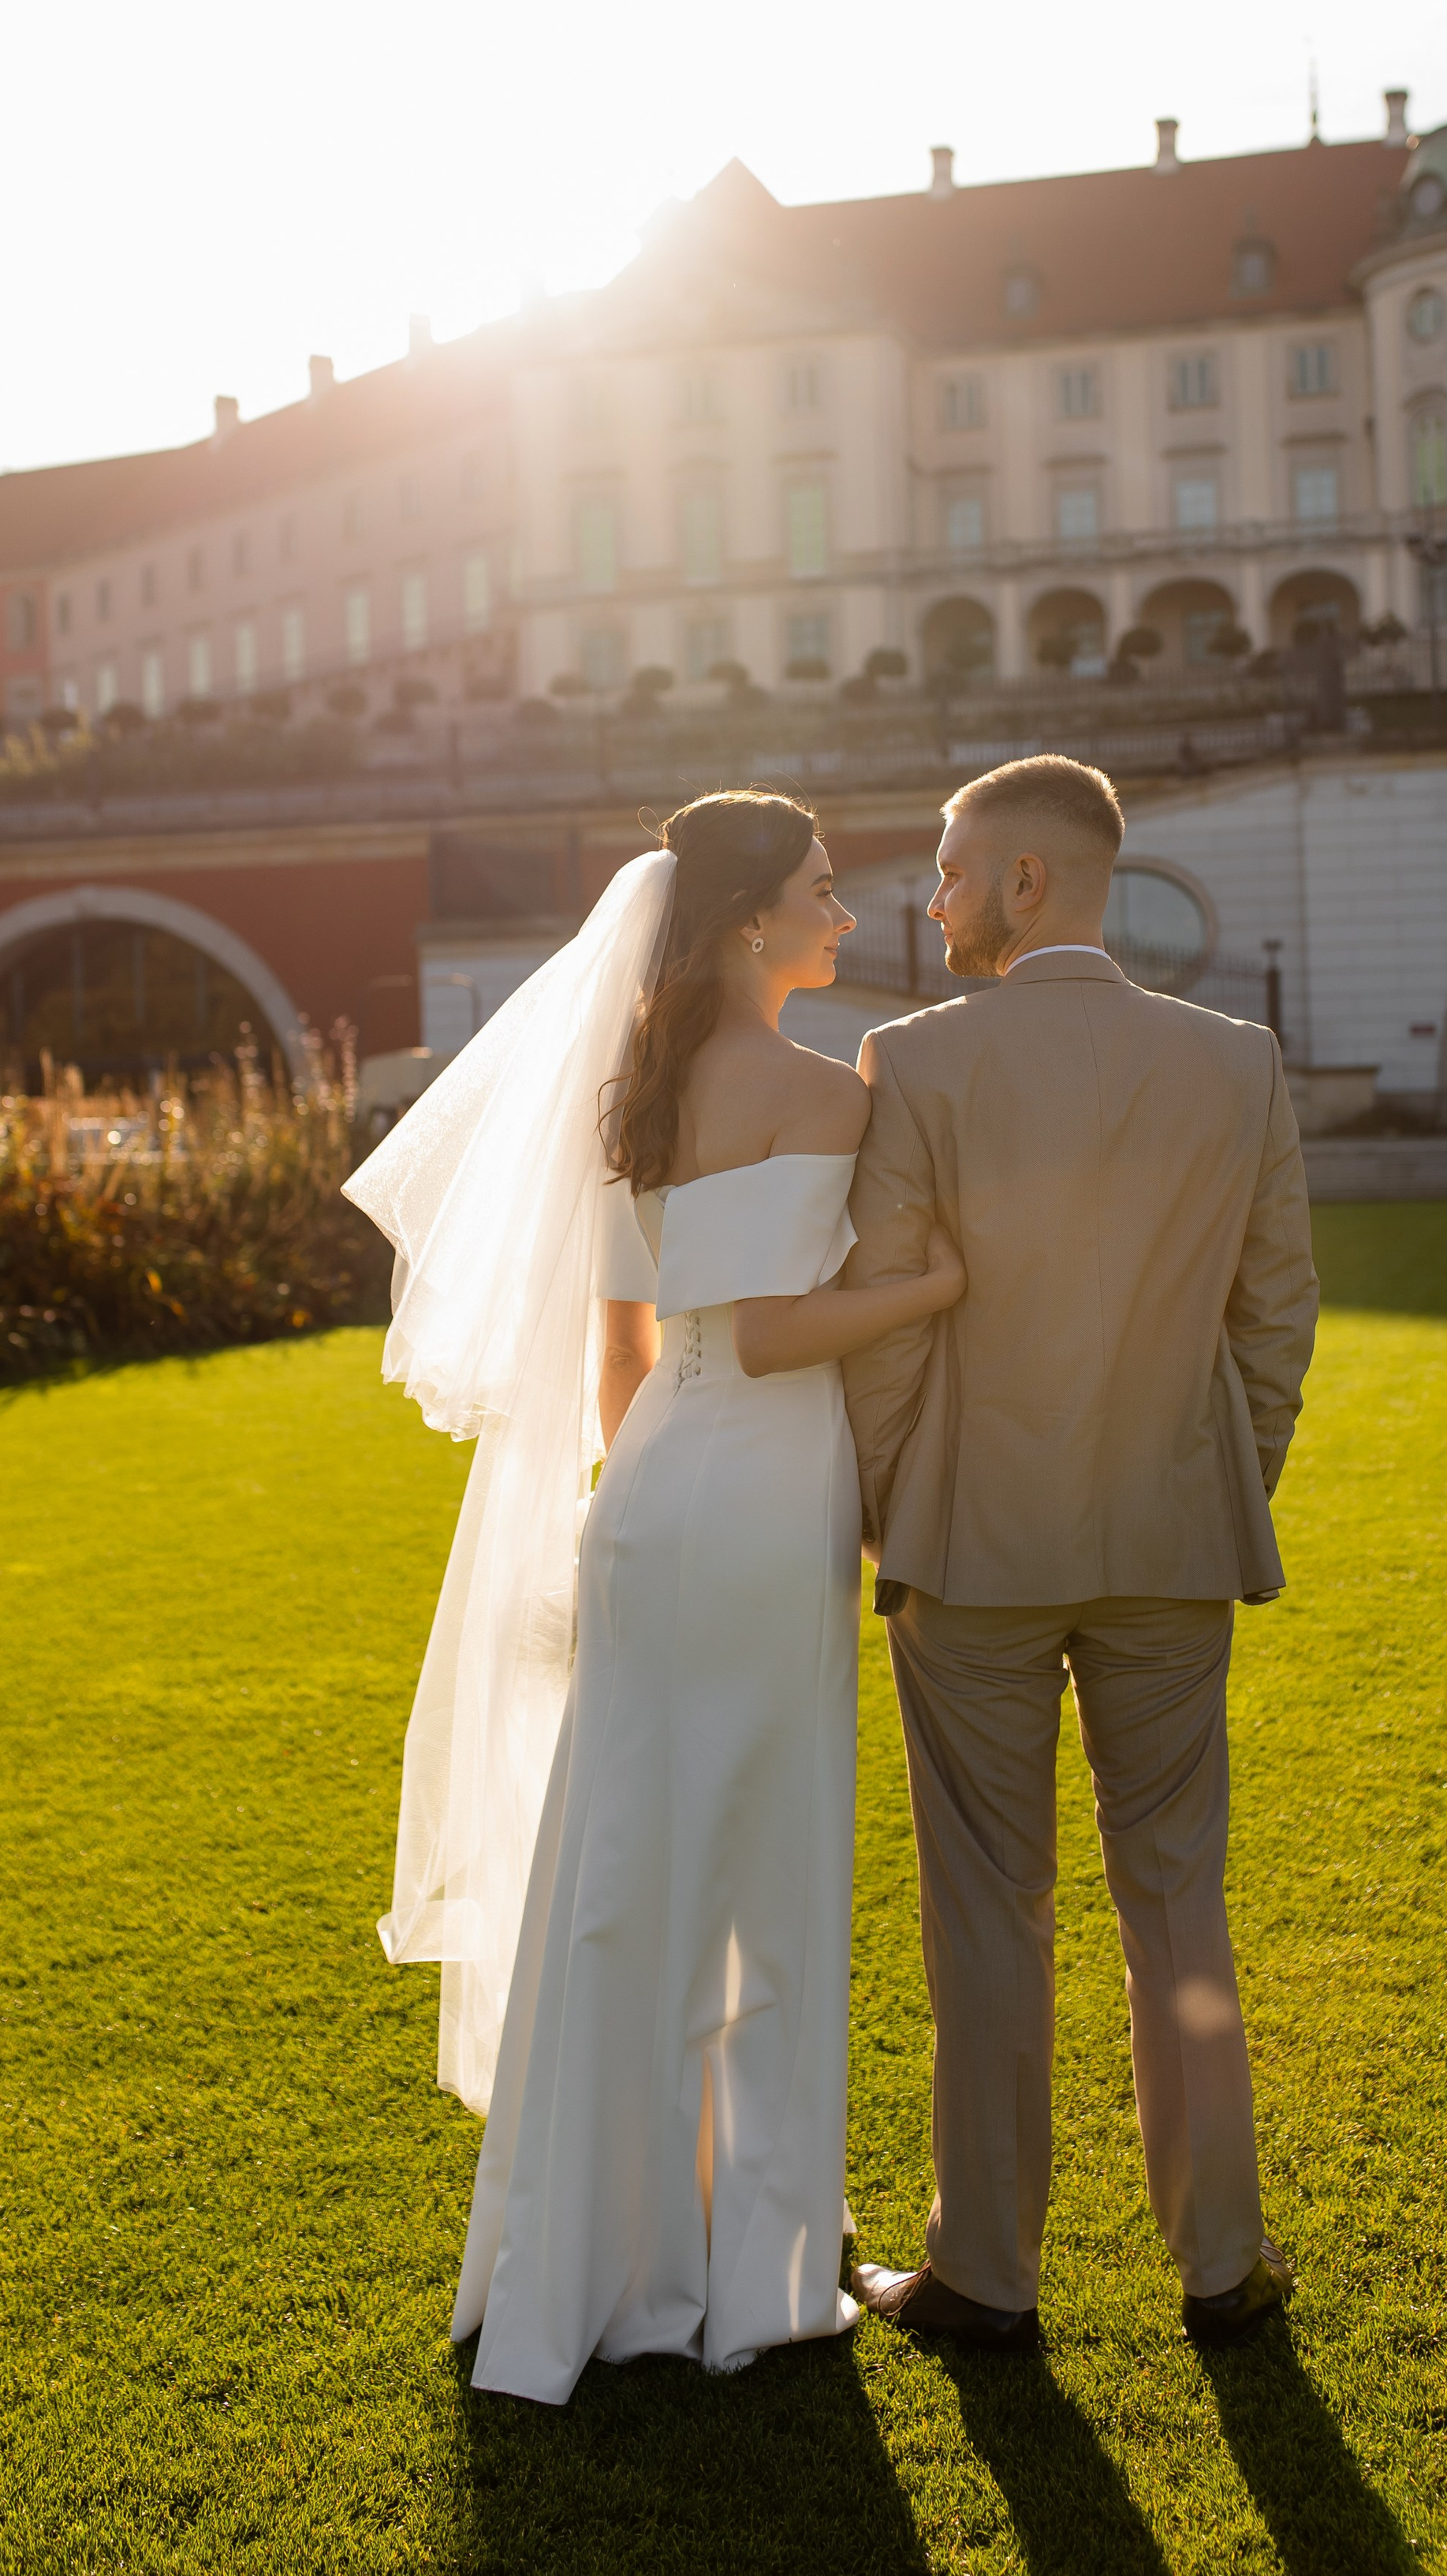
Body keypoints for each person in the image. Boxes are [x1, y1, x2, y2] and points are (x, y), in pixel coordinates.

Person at [344, 789, 963, 2406]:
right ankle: (740, 2266)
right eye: (825, 893)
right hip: (760, 1494)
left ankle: (578, 2252)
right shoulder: (821, 1091)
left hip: (656, 1490)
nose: (847, 915)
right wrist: (931, 1286)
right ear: (753, 916)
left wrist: (658, 1483)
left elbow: (632, 1354)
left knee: (622, 1860)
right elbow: (765, 1332)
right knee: (760, 1858)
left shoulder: (632, 1087)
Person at [839, 753, 1318, 2354]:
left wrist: (890, 1511)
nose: (935, 896)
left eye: (952, 867)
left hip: (967, 1554)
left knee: (988, 1913)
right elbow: (1274, 1316)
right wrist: (1218, 1468)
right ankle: (1220, 2265)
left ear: (1026, 882)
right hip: (1172, 1540)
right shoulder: (1235, 1060)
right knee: (1177, 1904)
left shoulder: (907, 1063)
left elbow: (888, 1337)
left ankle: (982, 2275)